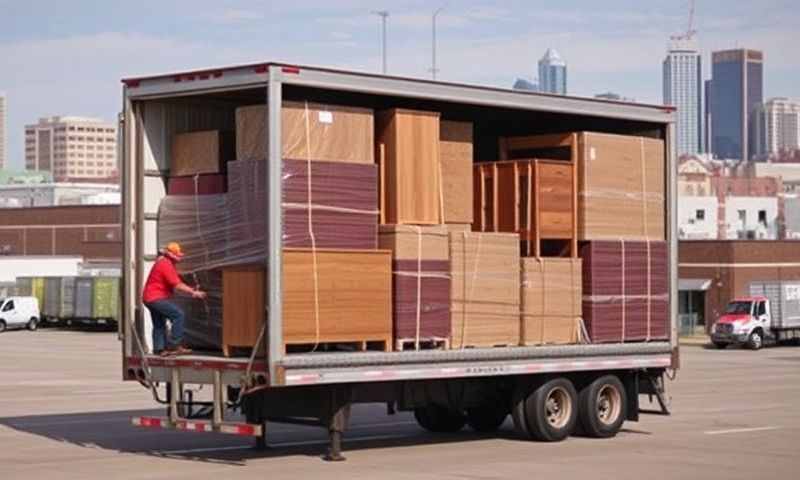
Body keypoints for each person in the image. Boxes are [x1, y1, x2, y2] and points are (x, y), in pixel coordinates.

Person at [142, 242, 206, 356]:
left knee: (159, 324)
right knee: (178, 315)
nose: (179, 258)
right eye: (177, 255)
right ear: (171, 254)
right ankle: (174, 345)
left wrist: (190, 288)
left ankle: (159, 350)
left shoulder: (162, 262)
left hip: (149, 298)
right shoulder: (166, 264)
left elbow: (174, 281)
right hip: (156, 298)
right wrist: (193, 292)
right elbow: (176, 284)